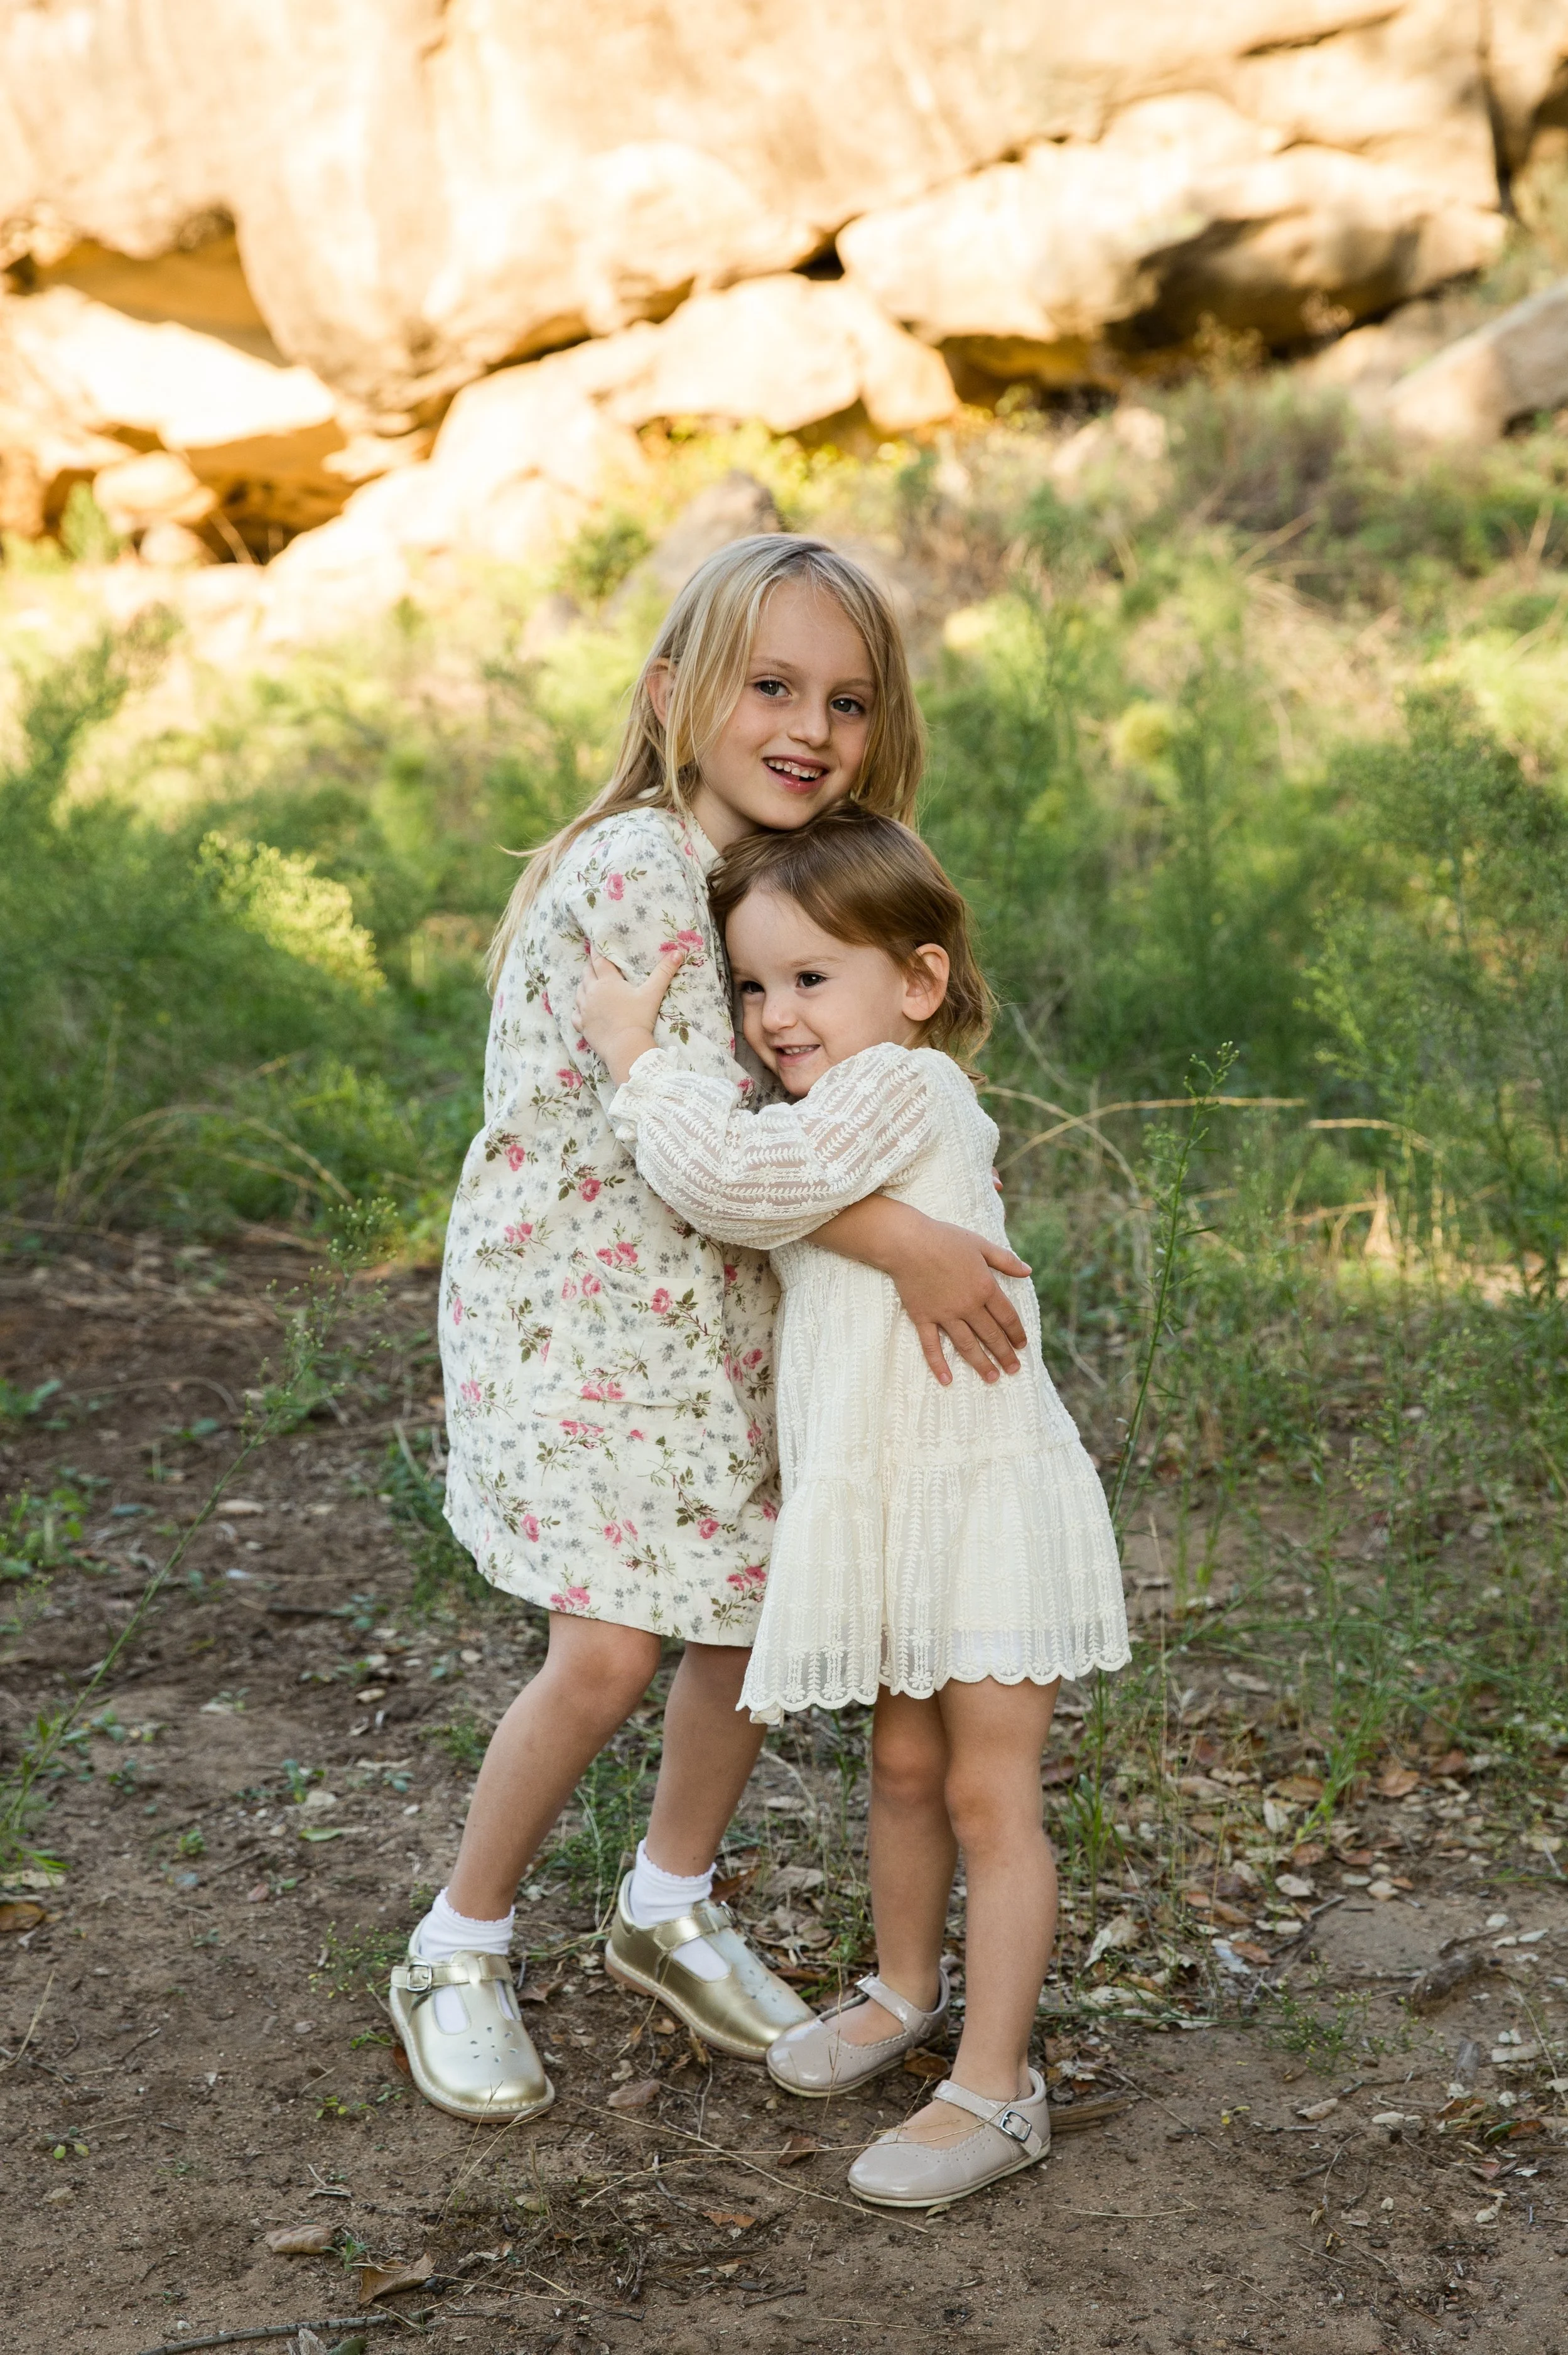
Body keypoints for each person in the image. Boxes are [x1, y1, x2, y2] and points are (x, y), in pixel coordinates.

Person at [390, 535, 1039, 2124]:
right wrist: (909, 1247)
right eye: (768, 686)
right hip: (587, 1307)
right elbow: (702, 1149)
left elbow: (820, 1113)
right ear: (676, 694)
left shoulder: (776, 878)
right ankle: (455, 1944)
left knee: (746, 1617)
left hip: (727, 1314)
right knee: (609, 1643)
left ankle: (666, 1904)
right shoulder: (633, 870)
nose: (808, 725)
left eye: (845, 698)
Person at [575, 803, 1128, 2207]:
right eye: (751, 985)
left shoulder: (903, 1089)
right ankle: (900, 1988)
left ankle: (998, 2093)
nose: (770, 1016)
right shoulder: (829, 1104)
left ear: (918, 983)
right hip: (892, 1502)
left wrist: (638, 1059)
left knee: (988, 1796)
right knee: (897, 1771)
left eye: (808, 978)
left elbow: (736, 1181)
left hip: (977, 1505)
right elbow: (769, 1185)